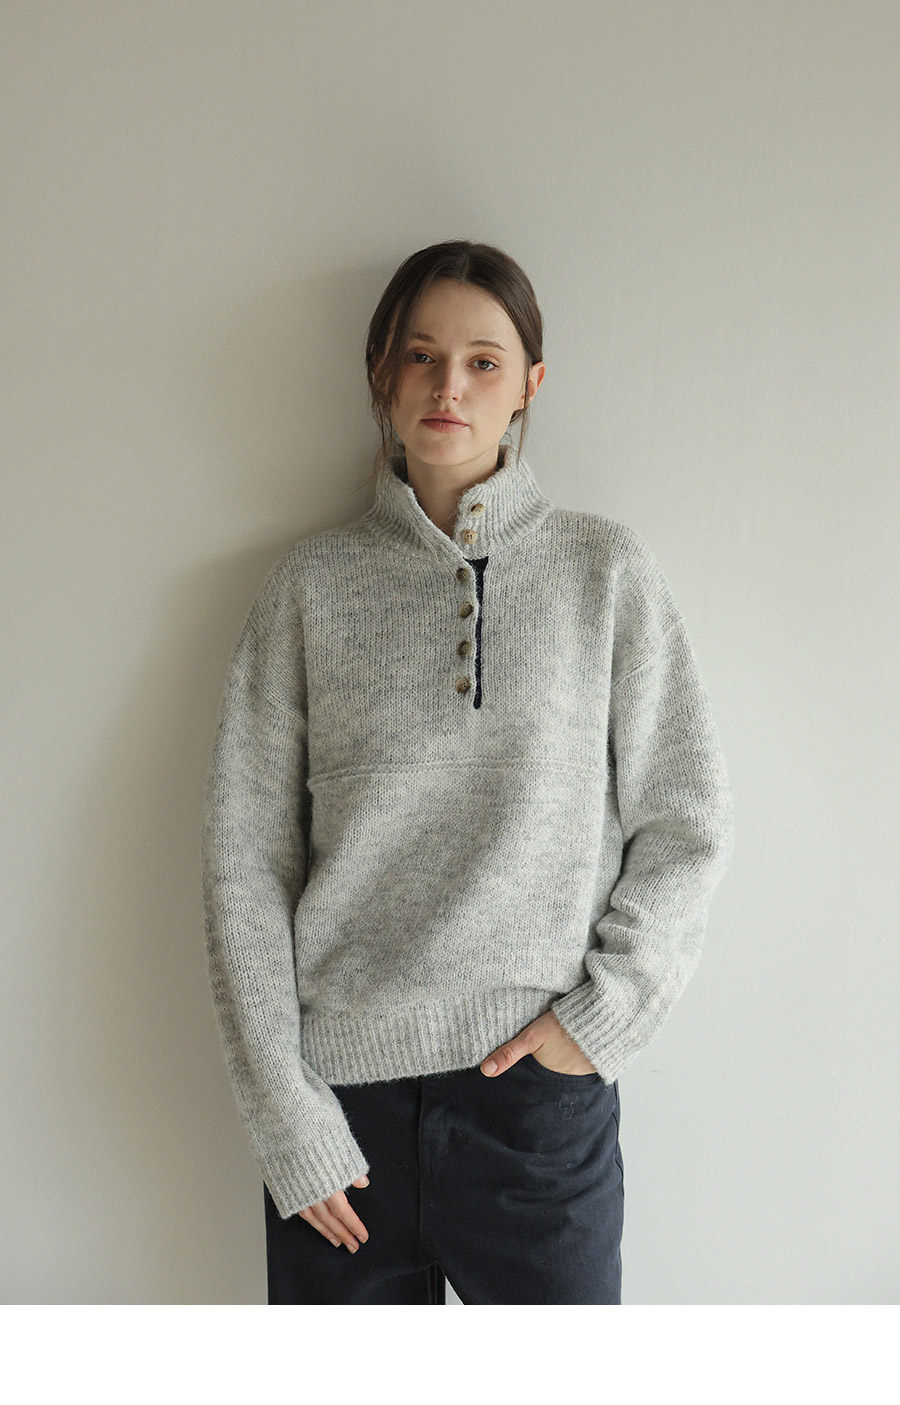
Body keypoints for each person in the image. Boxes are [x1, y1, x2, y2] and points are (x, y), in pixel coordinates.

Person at [201, 239, 735, 1304]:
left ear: (530, 383)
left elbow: (689, 819)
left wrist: (600, 1020)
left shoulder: (604, 572)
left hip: (536, 1106)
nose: (449, 386)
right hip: (343, 1118)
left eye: (484, 362)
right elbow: (243, 864)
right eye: (422, 355)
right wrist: (287, 1117)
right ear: (383, 374)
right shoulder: (309, 589)